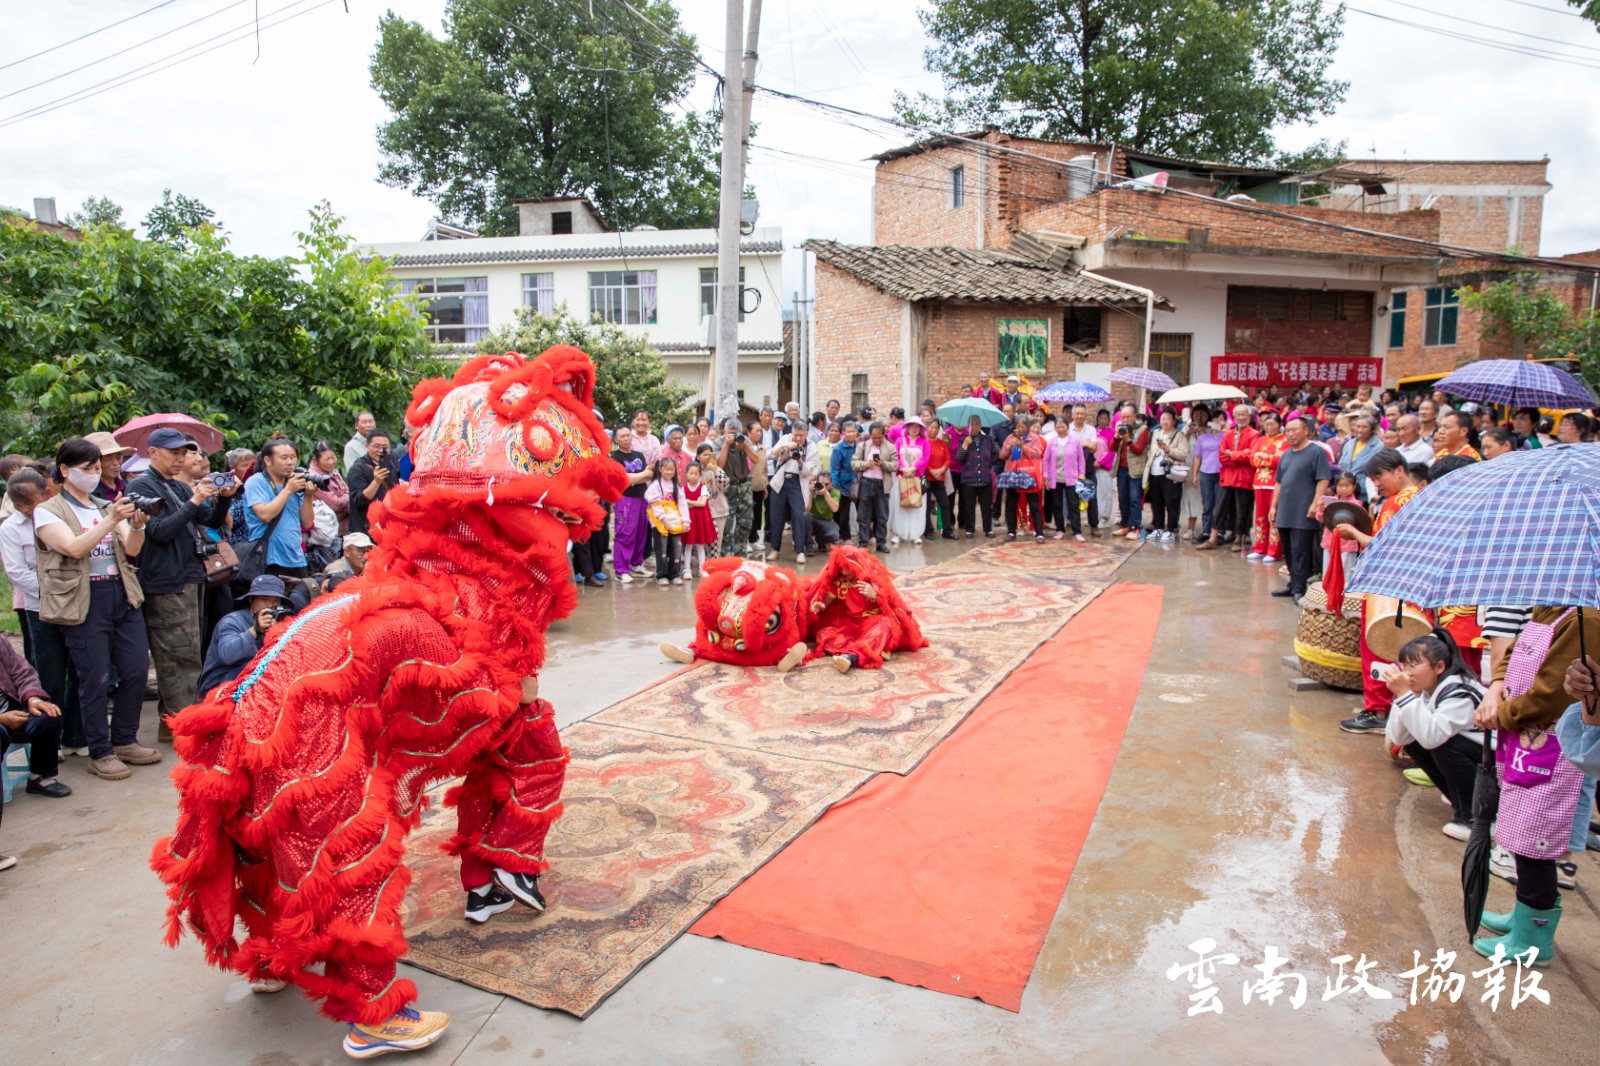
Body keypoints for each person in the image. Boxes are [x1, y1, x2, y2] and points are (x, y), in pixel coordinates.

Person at [1470, 606, 1600, 967]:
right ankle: (1522, 916)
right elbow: (1512, 654)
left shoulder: (1584, 621)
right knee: (1520, 831)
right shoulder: (1548, 609)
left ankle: (1534, 937)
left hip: (1551, 747)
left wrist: (1504, 714)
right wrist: (1496, 688)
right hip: (1524, 739)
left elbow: (1551, 695)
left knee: (1537, 841)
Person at [33, 437, 154, 781]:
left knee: (134, 669)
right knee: (95, 679)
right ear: (65, 470)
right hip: (83, 602)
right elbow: (72, 548)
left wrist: (137, 524)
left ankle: (126, 740)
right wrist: (111, 518)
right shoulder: (48, 510)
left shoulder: (104, 505)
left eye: (97, 467)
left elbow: (130, 549)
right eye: (88, 468)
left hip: (121, 593)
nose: (94, 473)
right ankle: (99, 751)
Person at [126, 427, 231, 735]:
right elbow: (159, 532)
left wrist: (224, 499)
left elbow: (209, 521)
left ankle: (170, 725)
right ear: (153, 452)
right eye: (174, 452)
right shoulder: (142, 486)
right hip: (165, 582)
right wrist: (194, 501)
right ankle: (187, 729)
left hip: (191, 577)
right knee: (177, 660)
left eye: (184, 453)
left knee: (190, 653)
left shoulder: (179, 486)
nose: (181, 458)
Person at [1332, 448, 1420, 735]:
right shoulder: (1413, 496)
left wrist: (1355, 534)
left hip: (1390, 586)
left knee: (1378, 646)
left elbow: (1388, 547)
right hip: (1401, 585)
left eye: (1379, 476)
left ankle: (1377, 710)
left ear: (1399, 470)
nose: (1377, 483)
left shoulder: (1400, 501)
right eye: (1372, 478)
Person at [1379, 629, 1486, 840]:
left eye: (1414, 665)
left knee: (1444, 743)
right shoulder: (1429, 689)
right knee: (1414, 740)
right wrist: (1405, 696)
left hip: (1499, 770)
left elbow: (1432, 737)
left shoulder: (1459, 691)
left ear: (1439, 667)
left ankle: (1475, 819)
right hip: (1480, 763)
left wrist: (1404, 695)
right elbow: (1400, 738)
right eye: (1405, 666)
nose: (1408, 672)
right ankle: (1461, 801)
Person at [0, 634, 71, 868]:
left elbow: (23, 672)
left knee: (48, 715)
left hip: (13, 712)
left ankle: (40, 777)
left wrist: (32, 699)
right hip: (3, 720)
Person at [197, 575, 291, 700]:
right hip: (218, 688)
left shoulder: (279, 624)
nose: (270, 605)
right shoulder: (232, 621)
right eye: (265, 599)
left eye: (275, 601)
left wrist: (274, 636)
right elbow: (228, 655)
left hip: (252, 686)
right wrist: (254, 631)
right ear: (251, 599)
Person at [1268, 415, 1330, 603]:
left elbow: (1323, 479)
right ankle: (1292, 584)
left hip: (1304, 509)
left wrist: (1315, 503)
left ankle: (1299, 587)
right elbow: (1279, 482)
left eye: (1294, 430)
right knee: (1288, 550)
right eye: (1287, 431)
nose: (1290, 434)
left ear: (1306, 431)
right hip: (1286, 509)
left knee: (1301, 550)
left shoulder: (1316, 452)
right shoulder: (1286, 454)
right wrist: (1273, 506)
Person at [766, 421, 819, 562]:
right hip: (780, 481)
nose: (798, 438)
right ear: (792, 432)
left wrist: (799, 459)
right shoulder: (785, 439)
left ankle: (800, 551)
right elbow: (771, 454)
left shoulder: (811, 447)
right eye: (796, 435)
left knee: (798, 516)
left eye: (801, 435)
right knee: (776, 516)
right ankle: (775, 549)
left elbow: (807, 471)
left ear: (806, 434)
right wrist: (785, 447)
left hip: (797, 482)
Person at [1042, 413, 1088, 542]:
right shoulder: (1051, 443)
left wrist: (1081, 474)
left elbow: (1081, 459)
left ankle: (1076, 531)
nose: (1060, 429)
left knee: (1073, 505)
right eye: (1058, 427)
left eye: (1063, 426)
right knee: (1057, 505)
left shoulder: (1075, 442)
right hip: (1055, 478)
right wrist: (1046, 476)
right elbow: (1045, 460)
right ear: (1055, 428)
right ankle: (1060, 529)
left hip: (1072, 478)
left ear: (1067, 427)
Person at [345, 429, 400, 536]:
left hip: (386, 526)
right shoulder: (357, 469)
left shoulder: (391, 464)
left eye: (385, 447)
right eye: (376, 446)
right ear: (367, 446)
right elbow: (358, 499)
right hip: (365, 529)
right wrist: (376, 481)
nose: (381, 450)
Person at [1145, 408, 1189, 543]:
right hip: (1154, 472)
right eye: (1163, 418)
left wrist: (1168, 449)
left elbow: (1183, 454)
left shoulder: (1179, 435)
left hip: (1170, 474)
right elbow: (1150, 451)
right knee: (1156, 502)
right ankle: (1158, 528)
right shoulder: (1156, 433)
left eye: (1168, 419)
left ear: (1173, 421)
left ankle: (1170, 530)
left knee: (1171, 503)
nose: (1164, 421)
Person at [1000, 416, 1046, 543]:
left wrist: (1023, 447)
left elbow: (1037, 454)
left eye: (1023, 426)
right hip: (1012, 474)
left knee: (1034, 504)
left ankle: (1039, 532)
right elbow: (1002, 455)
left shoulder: (1034, 438)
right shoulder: (1010, 437)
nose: (1020, 429)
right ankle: (1011, 531)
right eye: (1018, 426)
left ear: (1027, 426)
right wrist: (1009, 446)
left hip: (1028, 474)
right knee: (1010, 504)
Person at [716, 420, 758, 559]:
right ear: (724, 431)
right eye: (731, 433)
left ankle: (741, 550)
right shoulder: (718, 442)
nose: (734, 436)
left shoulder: (744, 440)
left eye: (737, 433)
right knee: (727, 523)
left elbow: (756, 459)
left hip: (744, 485)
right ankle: (726, 553)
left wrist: (745, 447)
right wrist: (726, 446)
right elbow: (719, 465)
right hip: (727, 486)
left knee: (746, 521)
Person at [644, 455, 688, 585]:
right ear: (660, 469)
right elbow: (655, 504)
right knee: (661, 549)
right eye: (666, 469)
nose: (669, 472)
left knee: (676, 548)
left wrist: (685, 521)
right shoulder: (655, 485)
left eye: (672, 469)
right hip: (660, 523)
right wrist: (664, 521)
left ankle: (675, 574)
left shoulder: (676, 486)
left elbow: (682, 504)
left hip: (675, 521)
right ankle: (661, 575)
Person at [853, 422, 895, 553]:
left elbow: (895, 465)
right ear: (870, 435)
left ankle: (881, 543)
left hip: (882, 485)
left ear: (884, 435)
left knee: (882, 516)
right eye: (874, 437)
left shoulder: (890, 447)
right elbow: (854, 463)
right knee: (863, 516)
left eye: (879, 437)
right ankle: (863, 543)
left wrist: (883, 464)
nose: (877, 440)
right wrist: (866, 464)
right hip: (866, 482)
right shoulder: (863, 446)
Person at [954, 414, 996, 539]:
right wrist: (965, 445)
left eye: (977, 424)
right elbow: (958, 458)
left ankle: (988, 529)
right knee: (969, 505)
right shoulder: (963, 440)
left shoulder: (988, 440)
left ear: (980, 425)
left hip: (985, 478)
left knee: (986, 506)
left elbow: (997, 453)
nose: (974, 427)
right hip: (969, 478)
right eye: (972, 424)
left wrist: (988, 463)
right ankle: (969, 529)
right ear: (968, 426)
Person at [890, 417, 929, 546]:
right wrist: (902, 468)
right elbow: (895, 456)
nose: (914, 429)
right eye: (912, 426)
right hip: (901, 478)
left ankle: (915, 534)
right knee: (900, 505)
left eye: (917, 427)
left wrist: (914, 468)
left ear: (921, 429)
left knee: (916, 505)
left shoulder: (924, 442)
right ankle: (898, 533)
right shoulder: (899, 441)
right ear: (907, 427)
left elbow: (926, 458)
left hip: (916, 479)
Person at [1112, 404, 1149, 539]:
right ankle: (1125, 525)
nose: (1125, 420)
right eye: (1123, 417)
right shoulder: (1121, 428)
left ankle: (1135, 527)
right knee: (1123, 499)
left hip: (1135, 470)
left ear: (1135, 417)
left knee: (1134, 499)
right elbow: (1112, 448)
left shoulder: (1142, 430)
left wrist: (1128, 439)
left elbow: (1139, 449)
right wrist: (1117, 436)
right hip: (1121, 468)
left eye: (1128, 417)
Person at [1188, 406, 1222, 544]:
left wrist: (1224, 428)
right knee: (1207, 504)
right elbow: (1197, 456)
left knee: (1219, 504)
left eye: (1218, 421)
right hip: (1206, 472)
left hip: (1221, 473)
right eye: (1214, 421)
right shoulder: (1202, 436)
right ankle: (1206, 530)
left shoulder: (1225, 435)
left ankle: (1220, 532)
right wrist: (1195, 475)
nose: (1215, 423)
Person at [681, 462, 717, 578]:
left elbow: (702, 503)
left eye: (696, 473)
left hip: (700, 520)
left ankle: (702, 568)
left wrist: (689, 502)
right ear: (686, 474)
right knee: (688, 545)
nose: (693, 476)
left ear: (700, 475)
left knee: (701, 545)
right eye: (691, 473)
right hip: (689, 521)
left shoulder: (703, 488)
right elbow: (681, 504)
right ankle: (686, 569)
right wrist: (694, 502)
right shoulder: (683, 489)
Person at [307, 441, 351, 530]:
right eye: (327, 459)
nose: (331, 462)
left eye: (333, 457)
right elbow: (336, 505)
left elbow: (347, 490)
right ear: (316, 460)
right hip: (326, 529)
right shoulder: (314, 478)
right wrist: (349, 497)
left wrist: (347, 496)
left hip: (343, 525)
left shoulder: (333, 471)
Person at [923, 419, 954, 540]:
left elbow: (947, 459)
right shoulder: (924, 443)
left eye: (936, 428)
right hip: (927, 478)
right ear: (927, 428)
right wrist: (931, 471)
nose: (934, 430)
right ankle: (928, 530)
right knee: (927, 506)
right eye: (932, 427)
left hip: (940, 478)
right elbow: (924, 459)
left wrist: (941, 470)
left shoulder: (941, 443)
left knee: (945, 504)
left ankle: (947, 530)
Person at [84, 431, 134, 502]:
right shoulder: (87, 493)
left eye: (118, 456)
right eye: (109, 458)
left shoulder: (128, 486)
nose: (116, 463)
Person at [830, 421, 858, 543]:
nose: (851, 434)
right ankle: (844, 536)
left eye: (853, 431)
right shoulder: (838, 449)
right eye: (849, 432)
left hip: (857, 485)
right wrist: (836, 487)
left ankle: (867, 534)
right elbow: (835, 469)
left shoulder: (859, 447)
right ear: (843, 434)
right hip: (842, 485)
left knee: (862, 512)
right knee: (843, 514)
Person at [807, 469, 842, 552]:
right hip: (812, 520)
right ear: (816, 482)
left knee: (834, 535)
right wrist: (810, 494)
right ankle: (808, 545)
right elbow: (806, 510)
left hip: (827, 521)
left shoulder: (835, 492)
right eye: (821, 483)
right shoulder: (812, 489)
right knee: (805, 517)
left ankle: (821, 540)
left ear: (831, 484)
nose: (823, 486)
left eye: (827, 484)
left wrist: (826, 493)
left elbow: (834, 509)